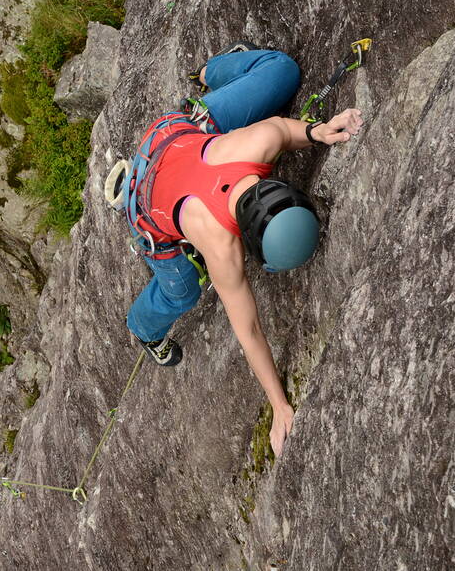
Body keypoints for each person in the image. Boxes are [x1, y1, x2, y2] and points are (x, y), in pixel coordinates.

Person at [124, 42, 363, 456]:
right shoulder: (220, 247)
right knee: (183, 291)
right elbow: (248, 330)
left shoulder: (261, 142)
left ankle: (209, 73)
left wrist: (316, 132)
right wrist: (278, 403)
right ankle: (144, 330)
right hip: (144, 200)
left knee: (282, 70)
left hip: (176, 133)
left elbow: (286, 131)